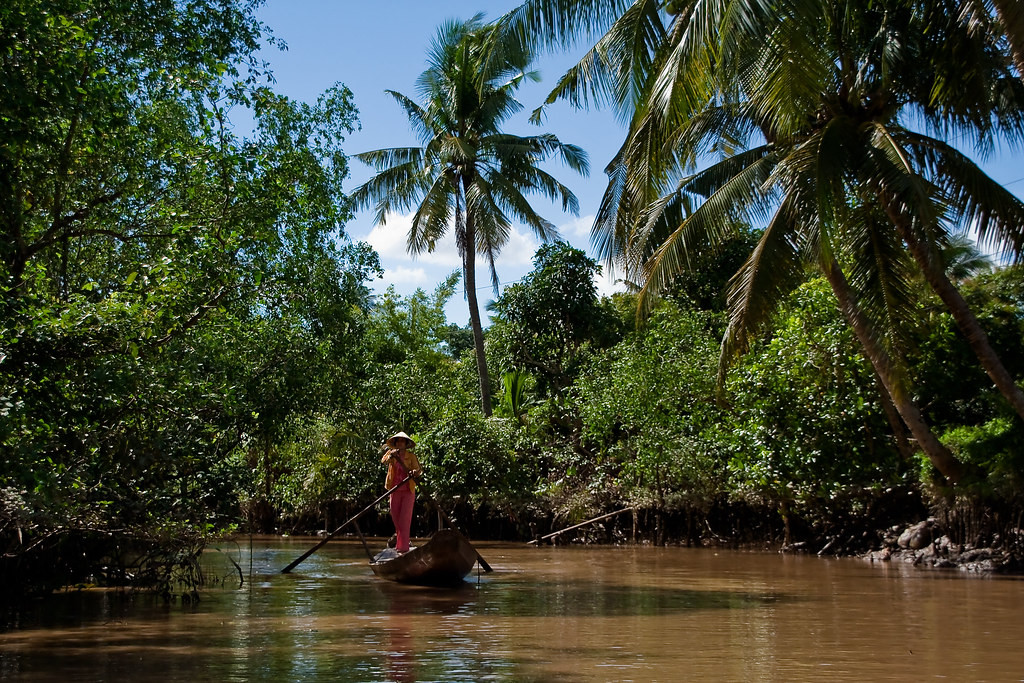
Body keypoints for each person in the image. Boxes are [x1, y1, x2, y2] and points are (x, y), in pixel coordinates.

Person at [381, 431, 421, 554]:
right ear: (395, 443)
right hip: (394, 489)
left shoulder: (411, 456)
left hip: (408, 490)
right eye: (398, 441)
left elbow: (418, 470)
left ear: (406, 443)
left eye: (402, 441)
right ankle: (400, 544)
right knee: (396, 518)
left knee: (405, 519)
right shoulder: (391, 453)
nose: (400, 443)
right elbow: (384, 461)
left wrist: (414, 472)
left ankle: (403, 548)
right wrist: (392, 456)